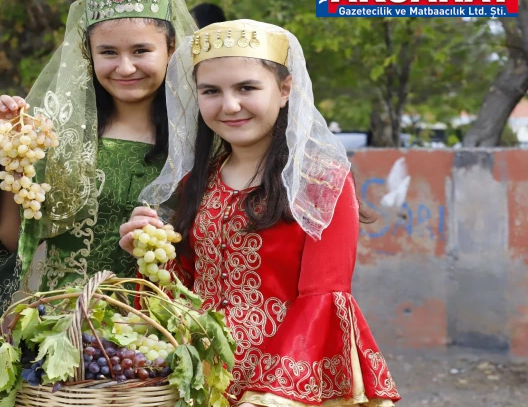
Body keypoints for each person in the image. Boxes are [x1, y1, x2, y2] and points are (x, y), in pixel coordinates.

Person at [119, 20, 401, 406]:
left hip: (284, 388)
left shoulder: (321, 182)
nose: (229, 105)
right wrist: (150, 257)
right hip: (200, 379)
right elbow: (185, 288)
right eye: (211, 91)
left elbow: (322, 297)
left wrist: (267, 396)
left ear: (285, 89)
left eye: (247, 88)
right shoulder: (198, 181)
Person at [0, 0, 197, 312]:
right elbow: (14, 240)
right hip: (62, 328)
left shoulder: (201, 139)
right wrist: (11, 152)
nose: (125, 67)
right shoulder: (56, 134)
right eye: (108, 52)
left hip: (161, 329)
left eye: (141, 51)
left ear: (171, 49)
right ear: (89, 54)